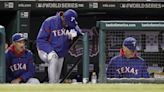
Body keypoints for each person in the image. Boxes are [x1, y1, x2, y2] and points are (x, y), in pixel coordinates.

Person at [36, 9, 83, 83]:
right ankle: (51, 85)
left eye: (69, 24)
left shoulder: (70, 23)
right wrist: (50, 51)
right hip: (44, 50)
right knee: (53, 57)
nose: (67, 25)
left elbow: (79, 31)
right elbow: (40, 40)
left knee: (56, 79)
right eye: (66, 22)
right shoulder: (49, 22)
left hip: (60, 53)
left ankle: (53, 87)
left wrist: (75, 33)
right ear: (63, 17)